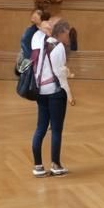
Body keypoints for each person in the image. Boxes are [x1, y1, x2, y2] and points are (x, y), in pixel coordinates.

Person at [32, 20, 75, 177]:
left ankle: (38, 166)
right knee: (56, 129)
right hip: (55, 92)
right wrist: (69, 94)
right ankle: (56, 165)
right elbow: (60, 74)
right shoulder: (59, 47)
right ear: (62, 33)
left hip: (41, 91)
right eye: (68, 34)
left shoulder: (43, 43)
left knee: (40, 128)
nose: (69, 38)